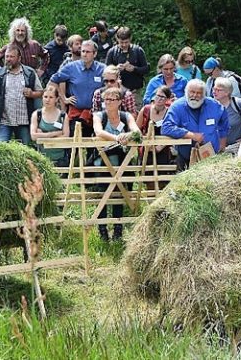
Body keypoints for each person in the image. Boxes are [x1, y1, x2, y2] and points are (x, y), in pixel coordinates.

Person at [92, 87, 140, 242]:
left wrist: (128, 134)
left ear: (120, 101)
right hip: (103, 163)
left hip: (122, 163)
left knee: (119, 195)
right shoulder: (99, 115)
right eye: (106, 99)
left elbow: (137, 132)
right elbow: (98, 131)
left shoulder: (126, 116)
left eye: (112, 99)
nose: (108, 102)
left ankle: (118, 230)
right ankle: (103, 230)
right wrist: (116, 138)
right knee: (103, 196)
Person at [163, 79, 230, 170]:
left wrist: (222, 144)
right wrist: (190, 135)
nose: (195, 96)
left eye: (199, 93)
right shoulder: (177, 106)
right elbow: (166, 127)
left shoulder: (215, 106)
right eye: (192, 92)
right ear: (186, 92)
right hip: (186, 157)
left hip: (211, 157)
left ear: (204, 94)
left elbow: (224, 125)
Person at [0, 45, 43, 145]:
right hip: (4, 121)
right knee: (0, 149)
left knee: (26, 150)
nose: (8, 59)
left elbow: (41, 92)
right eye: (7, 56)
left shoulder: (29, 73)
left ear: (19, 58)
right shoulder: (0, 74)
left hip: (24, 121)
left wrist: (32, 94)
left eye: (12, 57)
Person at [48, 40, 106, 138]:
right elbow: (53, 81)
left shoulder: (102, 69)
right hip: (76, 114)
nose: (84, 54)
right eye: (83, 51)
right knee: (73, 146)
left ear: (95, 54)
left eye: (88, 52)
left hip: (96, 114)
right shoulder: (71, 67)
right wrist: (64, 98)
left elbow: (113, 84)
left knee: (95, 147)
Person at [105, 27, 149, 107]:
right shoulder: (112, 52)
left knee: (135, 114)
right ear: (117, 39)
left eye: (126, 42)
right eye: (121, 42)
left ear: (130, 38)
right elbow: (106, 71)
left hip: (135, 91)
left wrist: (134, 69)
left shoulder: (138, 50)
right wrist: (115, 69)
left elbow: (146, 69)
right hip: (116, 92)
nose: (124, 45)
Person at [212, 77, 241, 154]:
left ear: (227, 92)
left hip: (236, 148)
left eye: (218, 90)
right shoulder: (209, 105)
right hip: (215, 149)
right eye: (214, 89)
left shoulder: (238, 104)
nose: (214, 92)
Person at [31, 86, 70, 166]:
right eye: (45, 97)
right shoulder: (37, 115)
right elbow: (33, 136)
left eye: (51, 97)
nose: (47, 100)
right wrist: (55, 133)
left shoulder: (63, 116)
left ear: (56, 99)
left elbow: (66, 136)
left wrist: (42, 136)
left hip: (60, 158)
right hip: (42, 158)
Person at [136, 85, 173, 165]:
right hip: (146, 148)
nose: (159, 99)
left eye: (162, 97)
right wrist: (144, 144)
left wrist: (159, 147)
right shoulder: (145, 110)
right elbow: (136, 129)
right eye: (158, 96)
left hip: (163, 149)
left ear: (167, 99)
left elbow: (172, 131)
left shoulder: (170, 113)